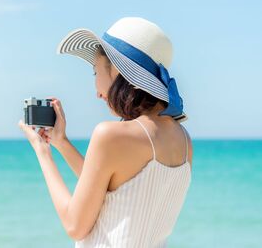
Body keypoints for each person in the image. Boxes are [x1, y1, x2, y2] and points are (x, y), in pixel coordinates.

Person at [18, 17, 192, 248]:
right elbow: (113, 188)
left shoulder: (110, 134)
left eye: (95, 72)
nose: (96, 91)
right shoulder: (183, 139)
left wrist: (43, 153)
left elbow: (75, 225)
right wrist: (61, 142)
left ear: (119, 71)